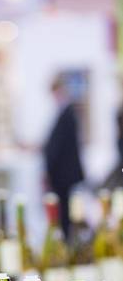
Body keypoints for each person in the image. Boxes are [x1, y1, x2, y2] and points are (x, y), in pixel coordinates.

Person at [42, 75, 84, 236]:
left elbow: (59, 147)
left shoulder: (68, 114)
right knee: (63, 214)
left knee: (67, 215)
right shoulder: (63, 114)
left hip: (65, 176)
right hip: (61, 176)